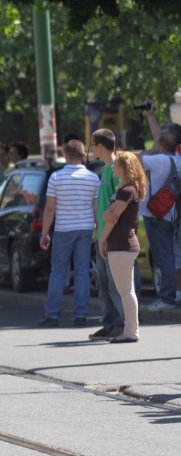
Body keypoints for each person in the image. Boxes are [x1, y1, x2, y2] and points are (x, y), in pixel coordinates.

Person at [38, 140, 100, 326]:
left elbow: (49, 209)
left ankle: (52, 315)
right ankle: (81, 315)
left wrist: (44, 233)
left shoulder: (56, 178)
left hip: (63, 229)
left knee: (58, 272)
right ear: (83, 156)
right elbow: (96, 208)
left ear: (65, 155)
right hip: (85, 229)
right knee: (82, 272)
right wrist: (100, 231)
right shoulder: (93, 178)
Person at [98, 151, 146, 343]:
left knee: (125, 291)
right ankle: (131, 329)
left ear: (124, 168)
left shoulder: (126, 191)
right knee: (127, 290)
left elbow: (111, 218)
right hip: (125, 244)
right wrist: (107, 215)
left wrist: (101, 240)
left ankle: (131, 331)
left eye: (117, 164)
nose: (113, 167)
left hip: (122, 245)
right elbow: (110, 216)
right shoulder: (128, 189)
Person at [87, 129, 127, 341]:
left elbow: (116, 208)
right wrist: (98, 233)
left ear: (101, 146)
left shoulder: (116, 171)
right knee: (104, 286)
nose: (91, 149)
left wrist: (106, 236)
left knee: (114, 285)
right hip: (102, 235)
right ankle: (109, 322)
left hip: (110, 237)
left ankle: (122, 324)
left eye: (92, 145)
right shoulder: (105, 170)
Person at [138, 132, 181, 311]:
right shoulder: (177, 160)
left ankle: (166, 298)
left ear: (162, 147)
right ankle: (169, 295)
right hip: (169, 212)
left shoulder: (160, 160)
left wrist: (152, 149)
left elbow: (138, 158)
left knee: (164, 257)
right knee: (168, 256)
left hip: (156, 215)